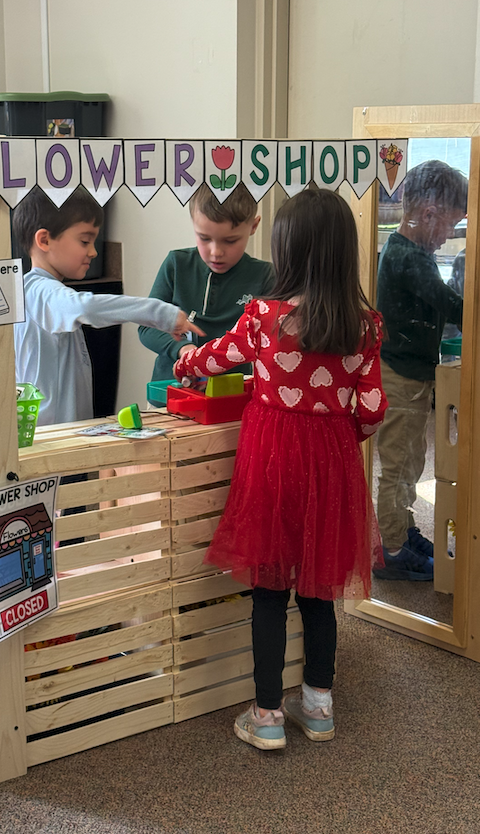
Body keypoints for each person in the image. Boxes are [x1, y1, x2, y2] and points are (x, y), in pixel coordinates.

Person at [173, 188, 387, 750]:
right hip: (332, 462)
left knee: (269, 590)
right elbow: (371, 409)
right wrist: (339, 437)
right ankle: (318, 706)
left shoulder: (264, 316)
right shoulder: (365, 325)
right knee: (319, 590)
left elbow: (217, 355)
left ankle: (266, 716)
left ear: (287, 250)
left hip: (271, 460)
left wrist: (185, 360)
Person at [13, 187, 203, 426]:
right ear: (44, 240)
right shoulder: (42, 292)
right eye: (84, 241)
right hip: (51, 438)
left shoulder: (33, 291)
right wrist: (162, 314)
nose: (93, 252)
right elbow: (85, 308)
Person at [373, 160, 467, 581]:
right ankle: (390, 548)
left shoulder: (408, 252)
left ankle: (403, 530)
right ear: (428, 214)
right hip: (400, 376)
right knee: (397, 465)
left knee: (412, 460)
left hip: (409, 373)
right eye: (449, 225)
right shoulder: (411, 260)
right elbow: (452, 306)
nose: (448, 236)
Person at [139, 183, 274, 393]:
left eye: (230, 241)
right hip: (169, 395)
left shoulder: (265, 276)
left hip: (232, 397)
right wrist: (183, 350)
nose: (215, 252)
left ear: (254, 226)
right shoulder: (176, 264)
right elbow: (147, 326)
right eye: (204, 238)